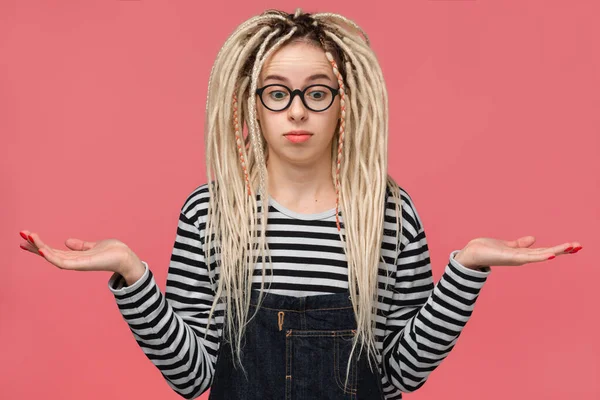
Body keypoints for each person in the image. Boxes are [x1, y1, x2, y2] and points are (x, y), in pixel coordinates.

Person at [19, 8, 582, 400]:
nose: (296, 111)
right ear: (252, 105)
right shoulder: (209, 215)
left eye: (317, 92)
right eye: (277, 93)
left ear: (345, 102)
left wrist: (467, 270)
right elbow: (191, 378)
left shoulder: (387, 216)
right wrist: (130, 273)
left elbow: (404, 373)